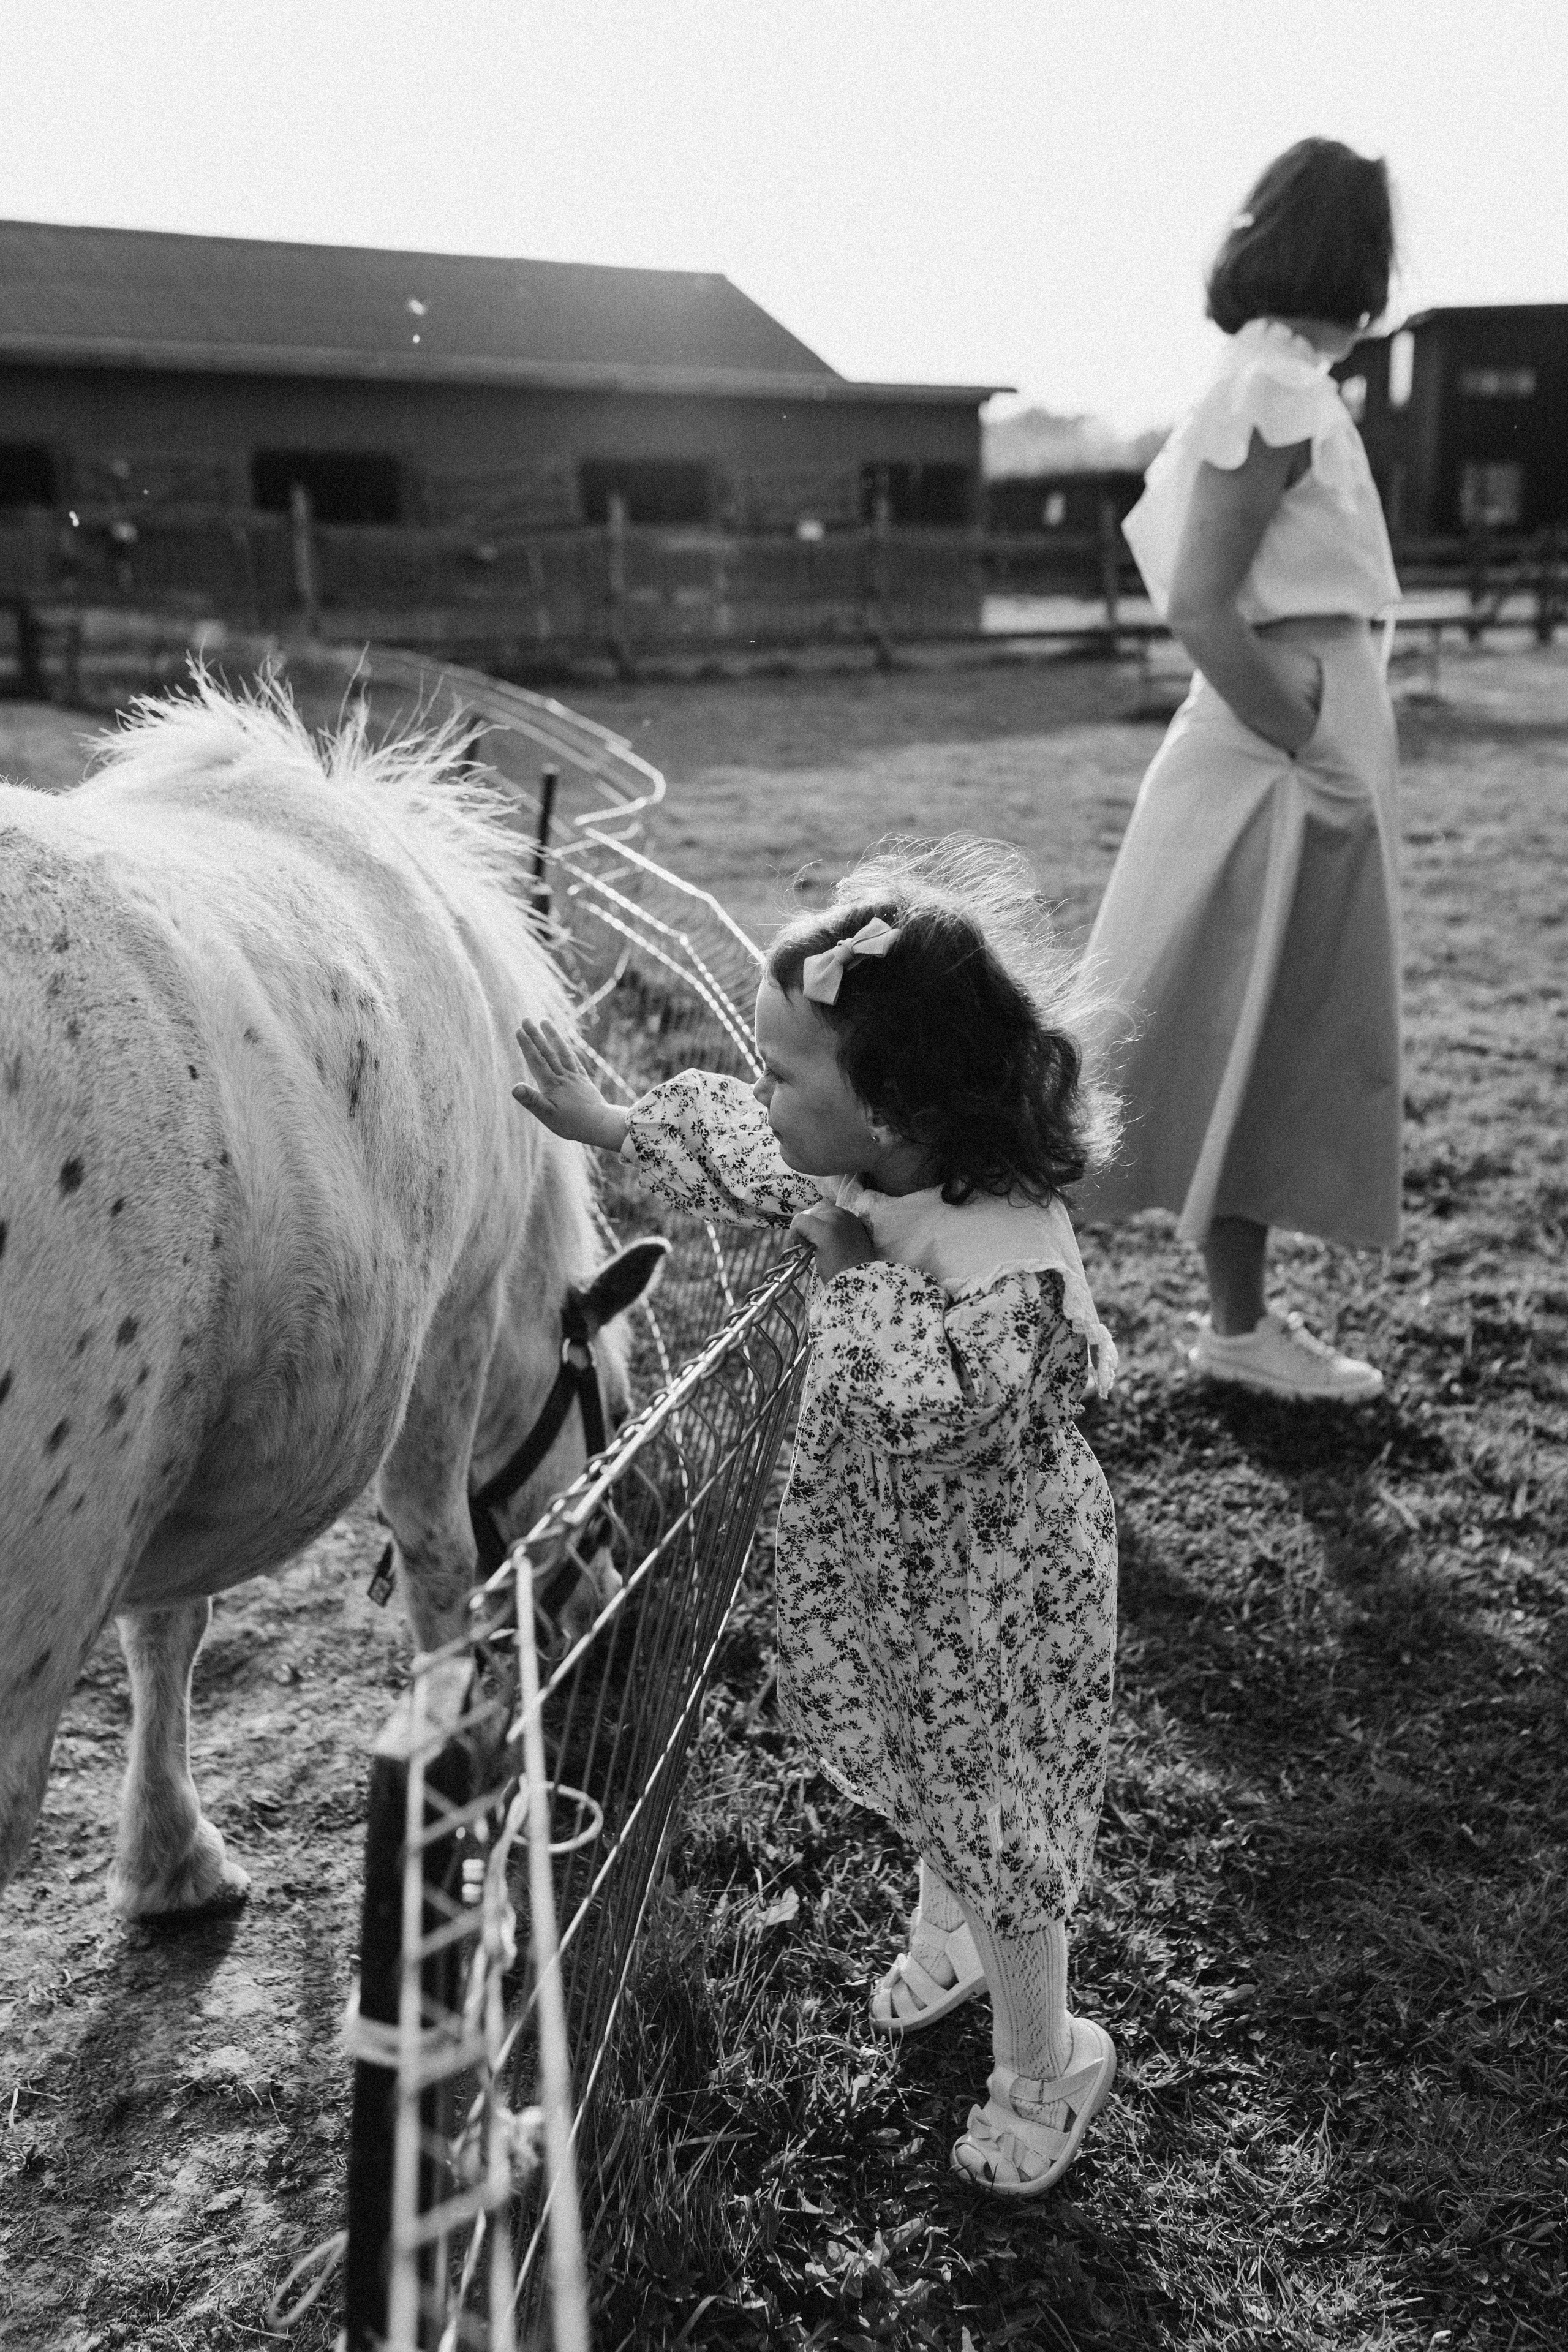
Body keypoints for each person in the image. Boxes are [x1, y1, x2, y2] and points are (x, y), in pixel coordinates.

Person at [513, 840, 1121, 2198]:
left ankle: (1047, 2055)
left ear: (891, 1110)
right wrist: (614, 1124)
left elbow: (939, 1413)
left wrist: (847, 1282)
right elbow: (747, 1148)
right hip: (911, 1578)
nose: (761, 1089)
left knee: (997, 1821)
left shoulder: (1003, 1263)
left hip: (998, 1594)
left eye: (788, 1071)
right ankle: (948, 1927)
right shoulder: (869, 1164)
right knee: (931, 1765)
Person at [1077, 137, 1402, 1401]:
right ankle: (1224, 1326)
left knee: (1255, 1032)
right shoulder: (1271, 386)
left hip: (1289, 746)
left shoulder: (1271, 379)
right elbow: (1206, 606)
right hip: (1277, 749)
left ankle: (1236, 1322)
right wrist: (1308, 740)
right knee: (1232, 1033)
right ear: (1350, 260)